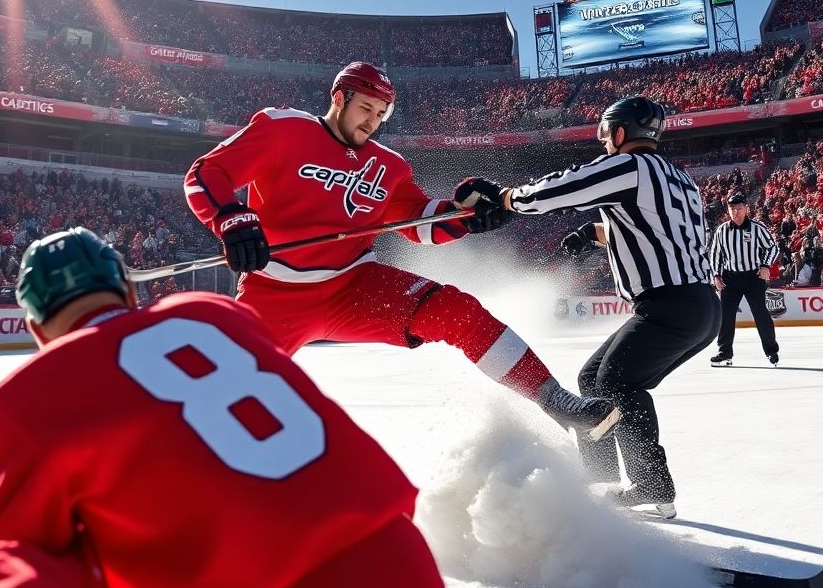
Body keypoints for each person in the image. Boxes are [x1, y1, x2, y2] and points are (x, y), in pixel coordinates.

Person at [0, 227, 471, 588]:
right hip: (402, 575)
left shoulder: (23, 399)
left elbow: (34, 570)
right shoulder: (216, 313)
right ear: (127, 291)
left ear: (35, 328)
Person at [184, 61, 618, 440]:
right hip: (273, 292)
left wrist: (468, 216)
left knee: (457, 310)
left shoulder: (389, 166)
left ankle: (555, 399)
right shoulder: (283, 128)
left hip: (355, 285)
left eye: (380, 114)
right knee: (226, 396)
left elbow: (420, 224)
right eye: (365, 109)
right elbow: (207, 172)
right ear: (340, 97)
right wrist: (232, 218)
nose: (372, 121)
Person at [454, 96, 720, 520]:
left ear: (619, 133)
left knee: (616, 381)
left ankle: (652, 489)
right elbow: (656, 232)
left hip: (669, 304)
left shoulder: (628, 167)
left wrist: (506, 197)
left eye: (605, 135)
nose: (604, 144)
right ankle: (600, 480)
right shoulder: (678, 179)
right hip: (698, 304)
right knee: (592, 378)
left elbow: (564, 186)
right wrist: (595, 234)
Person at [708, 191, 781, 366]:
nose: (736, 212)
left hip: (753, 278)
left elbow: (773, 248)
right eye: (732, 209)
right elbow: (715, 254)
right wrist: (716, 276)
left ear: (746, 209)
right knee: (725, 316)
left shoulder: (757, 228)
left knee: (761, 314)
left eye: (739, 208)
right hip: (730, 279)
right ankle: (725, 352)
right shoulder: (722, 230)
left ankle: (771, 351)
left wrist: (765, 265)